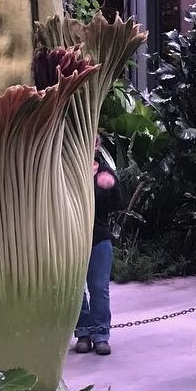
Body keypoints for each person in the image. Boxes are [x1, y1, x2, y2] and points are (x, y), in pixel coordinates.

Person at [73, 143, 123, 356]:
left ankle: (101, 335)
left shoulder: (104, 172)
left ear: (96, 145)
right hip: (72, 240)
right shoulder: (68, 170)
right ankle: (83, 333)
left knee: (99, 288)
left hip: (98, 238)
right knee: (75, 290)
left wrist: (110, 187)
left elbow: (118, 204)